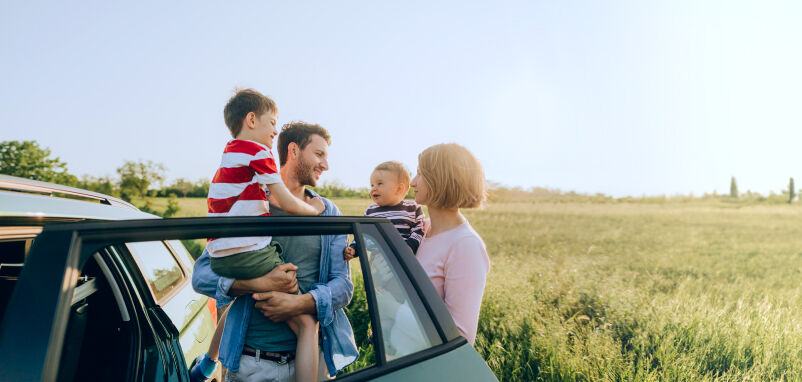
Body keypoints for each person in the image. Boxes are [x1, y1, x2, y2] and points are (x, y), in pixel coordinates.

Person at [192, 121, 358, 381]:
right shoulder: (248, 204)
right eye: (319, 154)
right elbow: (202, 275)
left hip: (314, 362)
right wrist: (257, 283)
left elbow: (343, 287)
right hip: (249, 364)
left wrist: (299, 303)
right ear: (293, 150)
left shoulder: (328, 214)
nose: (325, 165)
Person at [409, 143, 490, 344]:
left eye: (420, 174)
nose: (412, 182)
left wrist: (395, 313)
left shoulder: (465, 245)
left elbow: (460, 337)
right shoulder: (421, 230)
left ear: (440, 179)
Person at [343, 161, 425, 261]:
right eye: (372, 185)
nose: (374, 189)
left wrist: (410, 246)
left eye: (379, 184)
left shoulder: (412, 208)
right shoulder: (370, 212)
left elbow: (419, 229)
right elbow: (363, 234)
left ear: (399, 189)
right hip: (379, 262)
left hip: (404, 260)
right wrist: (354, 248)